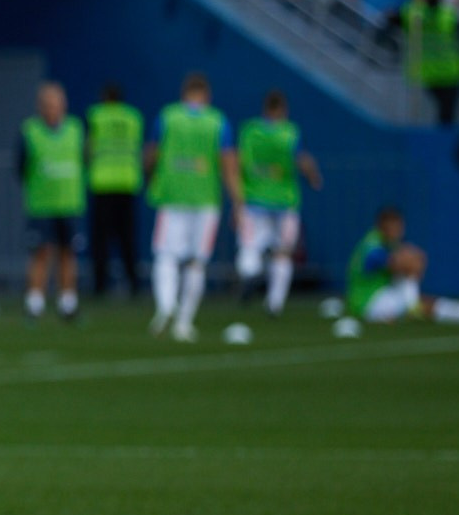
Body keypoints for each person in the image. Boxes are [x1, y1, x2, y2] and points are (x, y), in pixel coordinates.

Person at [145, 71, 242, 342]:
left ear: (184, 92)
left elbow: (151, 154)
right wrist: (237, 203)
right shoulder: (217, 121)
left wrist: (151, 177)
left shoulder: (168, 116)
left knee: (165, 254)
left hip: (172, 195)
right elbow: (228, 164)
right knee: (196, 262)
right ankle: (184, 323)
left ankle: (165, 306)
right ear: (207, 95)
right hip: (205, 200)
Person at [234, 90, 322, 316]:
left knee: (249, 248)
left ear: (265, 108)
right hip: (284, 201)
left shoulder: (250, 130)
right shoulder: (289, 132)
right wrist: (313, 176)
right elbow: (301, 159)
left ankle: (252, 274)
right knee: (283, 253)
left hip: (254, 199)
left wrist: (236, 200)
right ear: (283, 110)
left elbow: (238, 161)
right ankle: (274, 304)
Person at [347, 207, 459, 326]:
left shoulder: (384, 242)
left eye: (398, 227)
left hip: (380, 295)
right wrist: (412, 262)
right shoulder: (373, 246)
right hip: (369, 303)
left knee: (426, 301)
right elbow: (405, 264)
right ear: (382, 227)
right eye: (393, 228)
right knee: (425, 302)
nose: (397, 232)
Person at [17, 81, 85, 323]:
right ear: (40, 107)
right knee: (41, 254)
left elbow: (84, 160)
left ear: (64, 105)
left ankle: (68, 304)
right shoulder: (30, 131)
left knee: (68, 254)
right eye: (47, 105)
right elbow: (21, 167)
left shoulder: (76, 129)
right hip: (41, 205)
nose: (52, 109)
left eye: (56, 104)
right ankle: (34, 304)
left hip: (69, 204)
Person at [85, 84, 144, 297]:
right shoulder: (133, 117)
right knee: (127, 238)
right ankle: (134, 284)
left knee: (101, 240)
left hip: (102, 182)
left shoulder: (96, 115)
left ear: (104, 98)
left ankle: (100, 285)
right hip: (127, 182)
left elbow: (88, 147)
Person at [406, 0, 459, 124]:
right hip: (441, 71)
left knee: (446, 112)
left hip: (444, 72)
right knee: (445, 112)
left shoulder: (414, 12)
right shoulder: (447, 14)